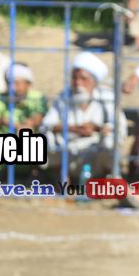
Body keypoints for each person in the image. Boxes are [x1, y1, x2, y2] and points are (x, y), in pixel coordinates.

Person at [40, 51, 122, 181]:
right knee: (44, 139)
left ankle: (108, 180)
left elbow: (120, 129)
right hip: (69, 155)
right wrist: (74, 129)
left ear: (94, 82)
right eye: (75, 78)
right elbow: (46, 125)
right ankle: (64, 181)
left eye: (83, 79)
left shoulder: (107, 97)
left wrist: (96, 128)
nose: (78, 83)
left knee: (111, 141)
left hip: (96, 156)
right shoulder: (63, 97)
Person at [0, 63, 48, 178]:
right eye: (9, 84)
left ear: (28, 85)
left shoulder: (37, 97)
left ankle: (36, 170)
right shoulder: (0, 98)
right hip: (8, 146)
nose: (13, 88)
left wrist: (29, 124)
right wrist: (15, 125)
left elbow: (40, 114)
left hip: (30, 142)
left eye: (17, 83)